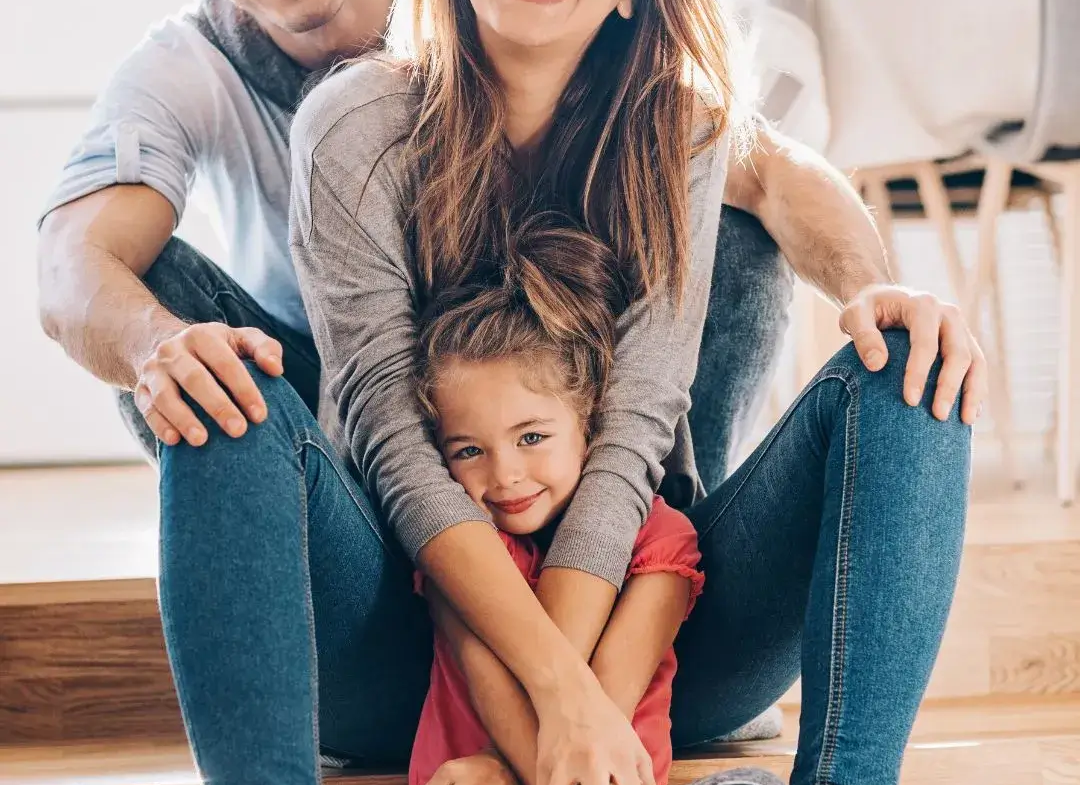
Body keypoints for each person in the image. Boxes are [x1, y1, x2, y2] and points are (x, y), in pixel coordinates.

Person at [33, 2, 982, 785]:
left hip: (644, 639)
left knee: (909, 361)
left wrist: (576, 702)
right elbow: (392, 443)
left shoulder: (683, 126)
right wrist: (556, 707)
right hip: (403, 641)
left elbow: (634, 437)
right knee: (218, 385)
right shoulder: (353, 119)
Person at [408, 213, 706, 785]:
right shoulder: (461, 548)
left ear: (589, 423)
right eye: (469, 451)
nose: (506, 475)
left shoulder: (659, 538)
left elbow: (600, 705)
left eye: (532, 438)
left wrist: (502, 770)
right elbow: (484, 678)